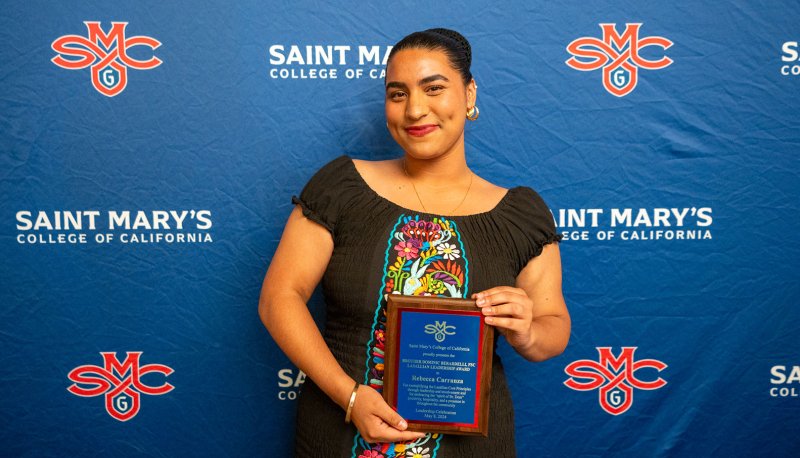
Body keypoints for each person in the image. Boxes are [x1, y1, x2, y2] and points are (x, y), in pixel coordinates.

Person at [259, 28, 570, 457]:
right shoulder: (341, 187)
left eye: (434, 88)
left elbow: (553, 326)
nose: (415, 110)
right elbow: (280, 297)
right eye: (398, 93)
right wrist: (350, 397)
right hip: (339, 433)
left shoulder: (520, 214)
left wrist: (526, 331)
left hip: (472, 443)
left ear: (469, 93)